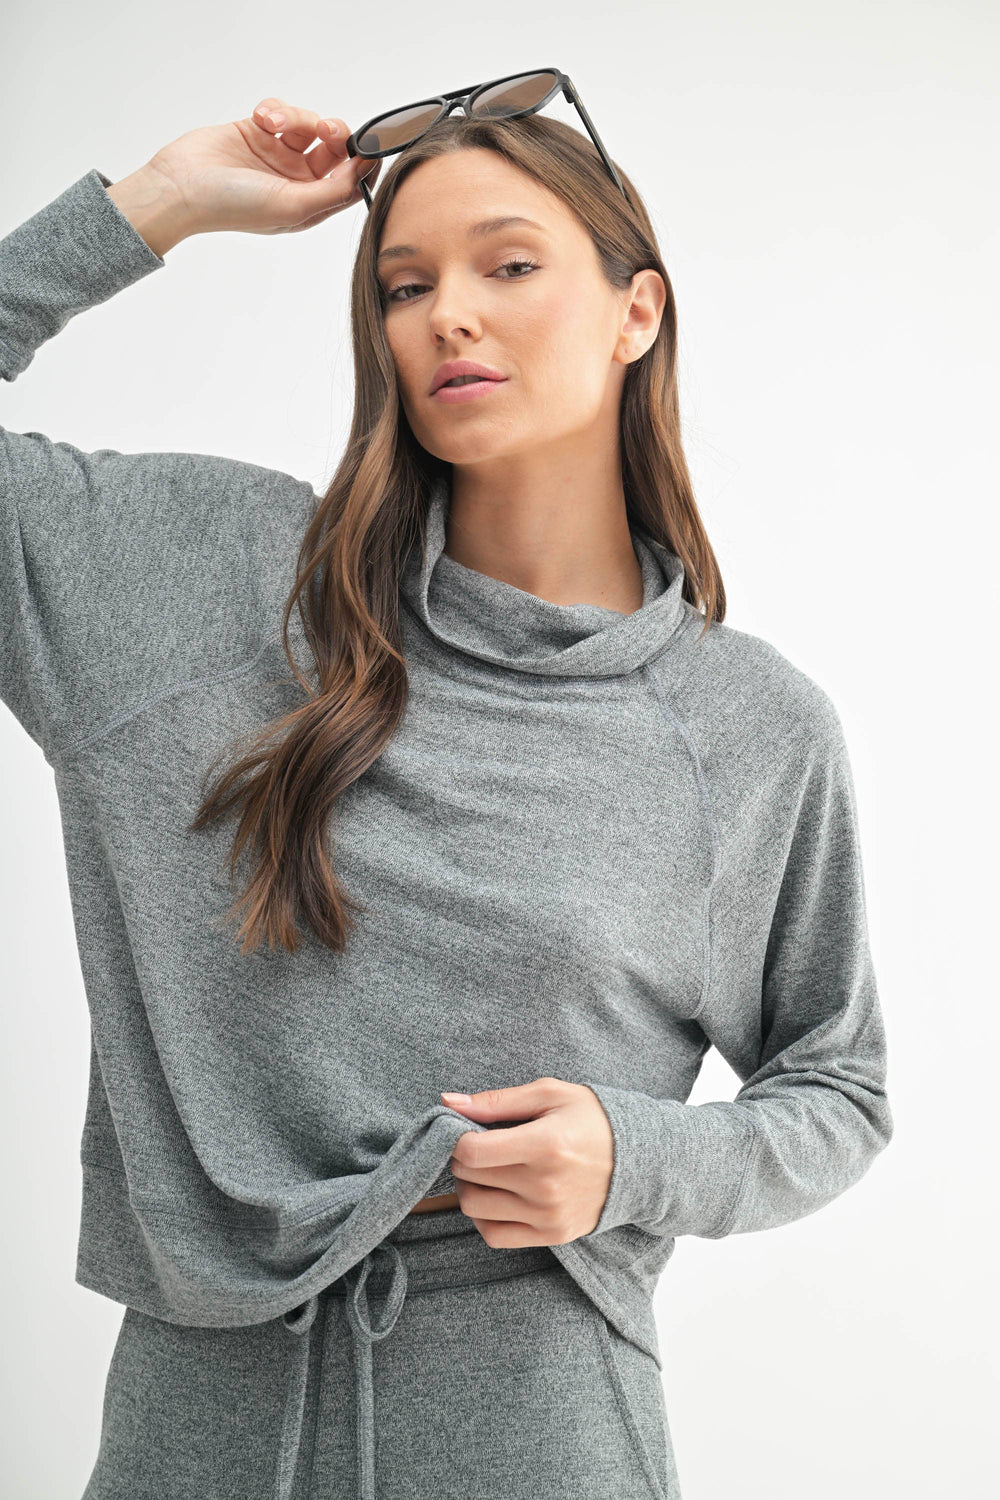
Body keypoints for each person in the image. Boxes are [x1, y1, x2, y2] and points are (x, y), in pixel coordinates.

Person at [0, 84, 893, 1500]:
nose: (447, 317)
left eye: (509, 264)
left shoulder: (748, 728)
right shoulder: (209, 592)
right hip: (193, 1430)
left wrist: (637, 1157)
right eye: (405, 286)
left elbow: (838, 1085)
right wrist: (157, 204)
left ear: (638, 312)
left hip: (544, 1425)